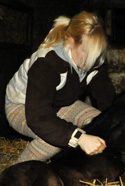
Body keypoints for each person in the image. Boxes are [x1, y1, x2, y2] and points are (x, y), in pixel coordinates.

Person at [5, 11, 116, 163]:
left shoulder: (92, 60)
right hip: (21, 107)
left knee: (98, 123)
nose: (89, 62)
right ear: (70, 41)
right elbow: (38, 116)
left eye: (95, 55)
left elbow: (106, 98)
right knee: (51, 141)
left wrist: (118, 121)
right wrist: (80, 137)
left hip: (59, 104)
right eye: (85, 52)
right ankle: (12, 178)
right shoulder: (47, 63)